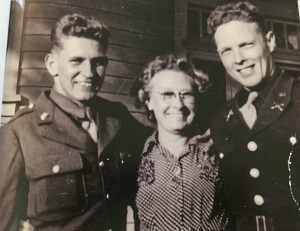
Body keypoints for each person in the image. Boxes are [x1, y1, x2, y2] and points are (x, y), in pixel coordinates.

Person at [0, 13, 148, 231]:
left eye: (98, 62)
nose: (89, 73)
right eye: (76, 61)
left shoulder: (118, 119)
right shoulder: (20, 132)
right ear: (52, 65)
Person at [207, 1, 300, 230]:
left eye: (246, 45)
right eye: (226, 51)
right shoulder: (222, 119)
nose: (238, 59)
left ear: (269, 41)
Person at [131, 54, 229, 231]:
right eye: (167, 95)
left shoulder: (218, 148)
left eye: (186, 95)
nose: (178, 104)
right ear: (148, 101)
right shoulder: (135, 154)